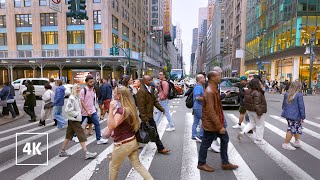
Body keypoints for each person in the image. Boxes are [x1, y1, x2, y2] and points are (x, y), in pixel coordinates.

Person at [107, 86, 154, 180]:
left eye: (115, 92)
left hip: (123, 144)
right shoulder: (130, 107)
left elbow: (111, 126)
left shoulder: (122, 110)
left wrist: (111, 109)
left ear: (119, 95)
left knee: (113, 166)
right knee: (138, 165)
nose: (113, 94)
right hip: (133, 141)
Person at [197, 71, 238, 172]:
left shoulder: (214, 89)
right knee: (206, 143)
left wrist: (224, 95)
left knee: (224, 139)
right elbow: (211, 111)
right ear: (212, 78)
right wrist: (220, 127)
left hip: (216, 122)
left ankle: (225, 162)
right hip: (211, 124)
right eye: (218, 76)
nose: (220, 77)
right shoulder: (210, 91)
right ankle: (201, 163)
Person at [58, 84, 97, 159]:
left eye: (79, 88)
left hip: (73, 119)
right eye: (77, 88)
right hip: (74, 120)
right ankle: (86, 153)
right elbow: (67, 110)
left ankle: (62, 151)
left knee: (68, 136)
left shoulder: (76, 97)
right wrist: (77, 114)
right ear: (74, 89)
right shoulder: (72, 98)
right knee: (81, 136)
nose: (79, 89)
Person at [136, 75, 171, 154]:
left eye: (151, 80)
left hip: (149, 115)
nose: (151, 81)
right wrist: (144, 117)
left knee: (140, 130)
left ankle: (135, 144)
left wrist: (162, 109)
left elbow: (154, 101)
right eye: (149, 80)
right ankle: (160, 148)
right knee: (153, 131)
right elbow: (140, 106)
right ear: (144, 81)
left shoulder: (151, 89)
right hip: (146, 116)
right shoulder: (141, 91)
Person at [80, 75, 108, 144]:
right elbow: (82, 102)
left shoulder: (93, 90)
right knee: (81, 126)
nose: (92, 83)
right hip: (85, 112)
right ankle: (75, 135)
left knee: (97, 124)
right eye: (90, 82)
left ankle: (99, 139)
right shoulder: (83, 90)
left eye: (93, 82)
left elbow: (93, 100)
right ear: (86, 82)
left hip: (92, 111)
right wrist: (87, 110)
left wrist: (94, 107)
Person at [238, 79, 267, 145]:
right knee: (260, 125)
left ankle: (243, 132)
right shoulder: (257, 92)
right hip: (256, 111)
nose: (261, 84)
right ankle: (259, 140)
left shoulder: (248, 91)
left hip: (249, 110)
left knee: (252, 123)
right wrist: (259, 113)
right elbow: (257, 104)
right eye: (259, 83)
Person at [281, 80, 305, 150]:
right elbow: (301, 107)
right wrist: (303, 116)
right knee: (291, 129)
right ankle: (286, 144)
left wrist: (285, 111)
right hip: (296, 115)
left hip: (288, 114)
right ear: (299, 87)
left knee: (295, 128)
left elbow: (283, 105)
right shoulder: (299, 95)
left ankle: (296, 141)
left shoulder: (287, 94)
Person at [192, 74, 205, 142]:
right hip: (199, 107)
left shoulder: (199, 86)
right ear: (199, 79)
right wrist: (206, 98)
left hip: (196, 107)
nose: (204, 79)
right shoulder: (198, 87)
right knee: (205, 120)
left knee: (196, 121)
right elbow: (197, 97)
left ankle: (194, 135)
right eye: (203, 78)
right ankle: (200, 135)